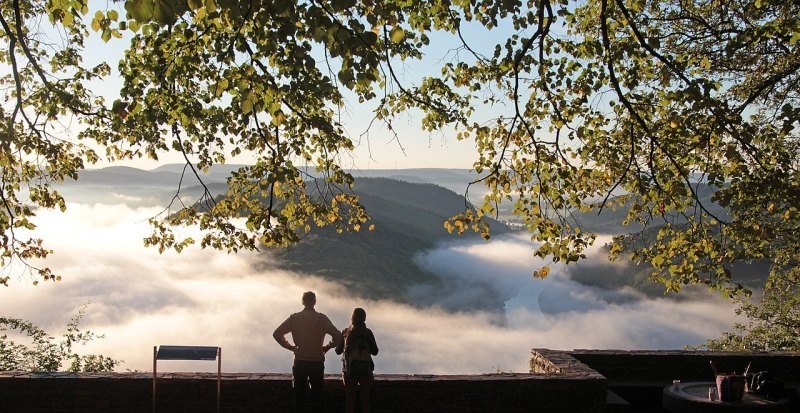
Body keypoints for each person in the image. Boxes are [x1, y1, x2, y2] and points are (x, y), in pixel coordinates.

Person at [273, 291, 342, 413]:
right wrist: (327, 347)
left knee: (299, 396)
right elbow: (337, 336)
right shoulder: (321, 319)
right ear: (314, 302)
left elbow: (277, 334)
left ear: (302, 302)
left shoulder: (294, 318)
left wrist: (291, 347)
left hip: (300, 361)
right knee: (317, 396)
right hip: (317, 361)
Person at [335, 307, 379, 413]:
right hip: (366, 371)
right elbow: (375, 352)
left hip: (349, 372)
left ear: (352, 318)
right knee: (365, 401)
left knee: (350, 401)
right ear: (364, 318)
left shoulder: (346, 332)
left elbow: (338, 351)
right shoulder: (368, 333)